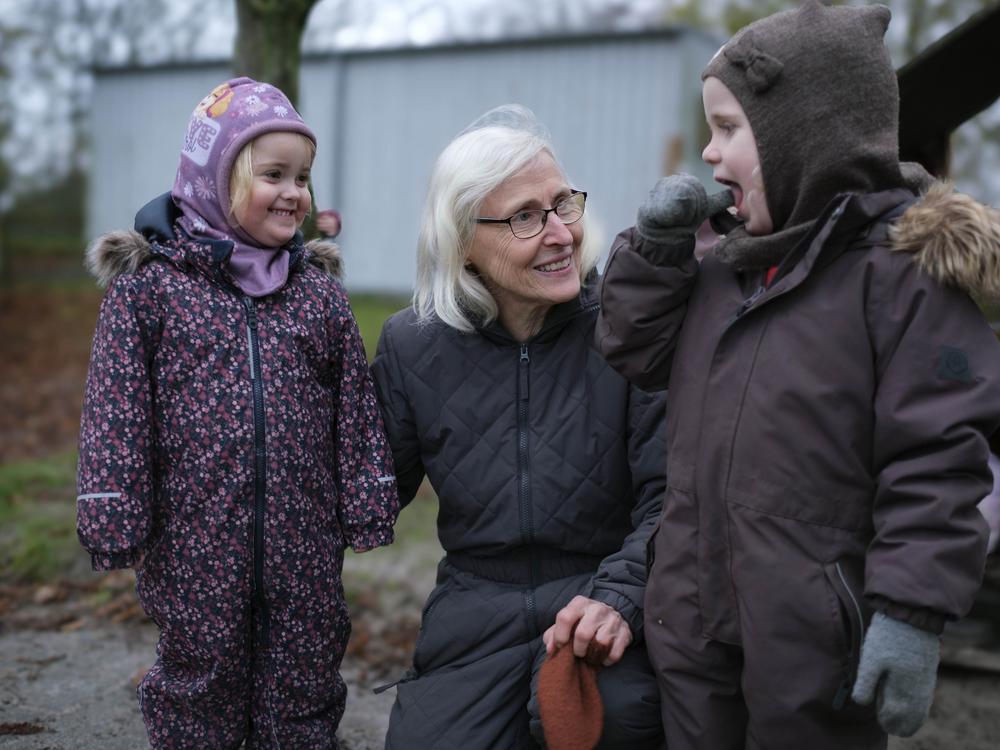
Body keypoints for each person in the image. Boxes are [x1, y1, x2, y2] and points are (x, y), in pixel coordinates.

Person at [595, 2, 1000, 748]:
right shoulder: (720, 261)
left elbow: (939, 462)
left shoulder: (900, 279)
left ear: (801, 138)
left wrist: (911, 612)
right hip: (692, 613)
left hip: (813, 637)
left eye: (728, 130)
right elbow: (633, 348)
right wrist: (655, 249)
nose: (710, 156)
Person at [76, 77, 399, 748]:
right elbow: (116, 408)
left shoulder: (317, 297)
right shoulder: (150, 291)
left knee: (306, 673)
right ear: (215, 179)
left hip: (304, 541)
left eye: (303, 177)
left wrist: (368, 494)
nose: (294, 192)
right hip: (195, 539)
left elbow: (354, 408)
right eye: (273, 174)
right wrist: (112, 504)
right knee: (201, 676)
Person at [371, 105, 666, 749]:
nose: (560, 233)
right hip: (475, 610)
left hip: (598, 597)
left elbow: (670, 498)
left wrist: (620, 599)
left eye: (564, 203)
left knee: (609, 723)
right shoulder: (412, 346)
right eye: (525, 217)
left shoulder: (628, 331)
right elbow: (361, 498)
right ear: (464, 244)